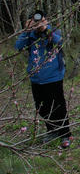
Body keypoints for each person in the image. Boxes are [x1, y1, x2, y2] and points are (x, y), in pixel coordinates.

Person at [15, 11, 72, 148]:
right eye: (35, 21)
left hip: (53, 77)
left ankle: (65, 133)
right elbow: (18, 47)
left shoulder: (53, 31)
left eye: (41, 19)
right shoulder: (30, 35)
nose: (38, 23)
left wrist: (46, 29)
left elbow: (59, 42)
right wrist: (27, 30)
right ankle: (52, 130)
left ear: (46, 20)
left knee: (58, 106)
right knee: (42, 107)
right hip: (36, 78)